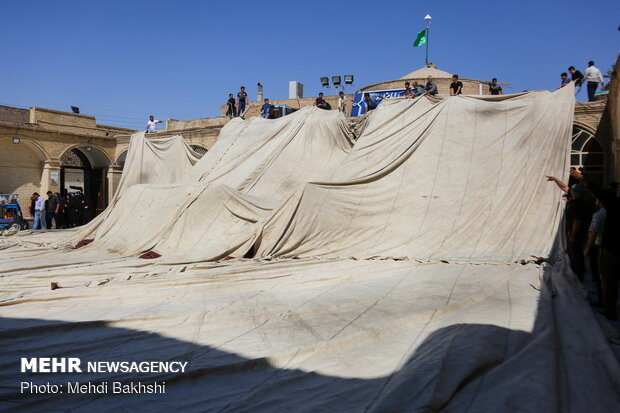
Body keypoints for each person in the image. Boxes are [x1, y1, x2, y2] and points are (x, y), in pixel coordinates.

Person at [570, 168, 619, 320]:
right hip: (610, 248)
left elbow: (592, 232)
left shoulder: (609, 208)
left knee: (608, 280)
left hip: (610, 249)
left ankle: (609, 309)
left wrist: (582, 177)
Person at [584, 197, 605, 305]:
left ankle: (602, 300)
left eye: (597, 199)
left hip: (598, 248)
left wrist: (587, 248)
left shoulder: (598, 215)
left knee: (598, 274)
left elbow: (593, 233)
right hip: (609, 248)